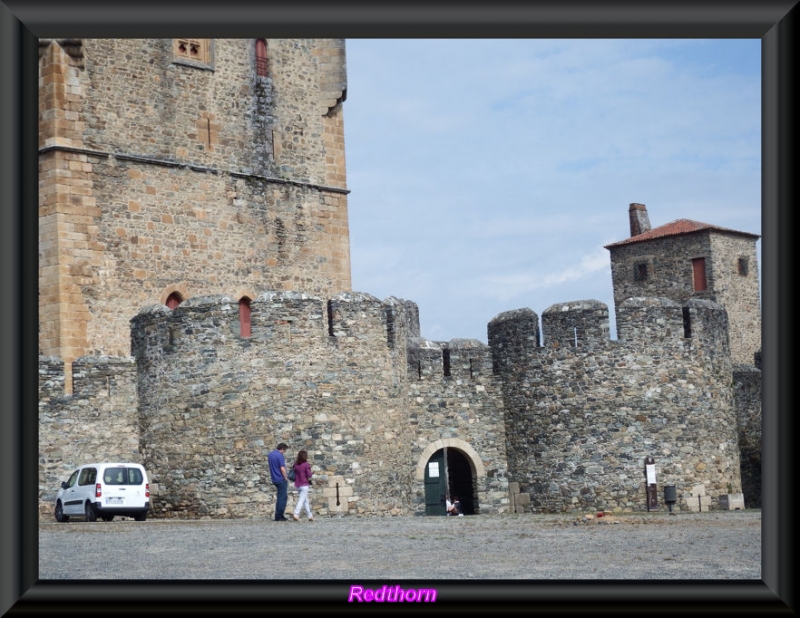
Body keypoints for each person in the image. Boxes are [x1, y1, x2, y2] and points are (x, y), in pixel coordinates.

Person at [268, 442, 289, 521]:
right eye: (285, 451)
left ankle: (278, 515)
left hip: (274, 478)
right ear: (282, 449)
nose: (284, 452)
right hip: (280, 478)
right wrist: (285, 477)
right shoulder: (279, 456)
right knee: (282, 498)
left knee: (280, 496)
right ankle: (279, 515)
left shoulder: (270, 455)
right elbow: (282, 468)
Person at [291, 450, 314, 521]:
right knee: (301, 500)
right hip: (304, 484)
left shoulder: (296, 465)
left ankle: (309, 515)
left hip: (298, 484)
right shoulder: (306, 464)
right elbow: (309, 475)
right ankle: (296, 514)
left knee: (305, 500)